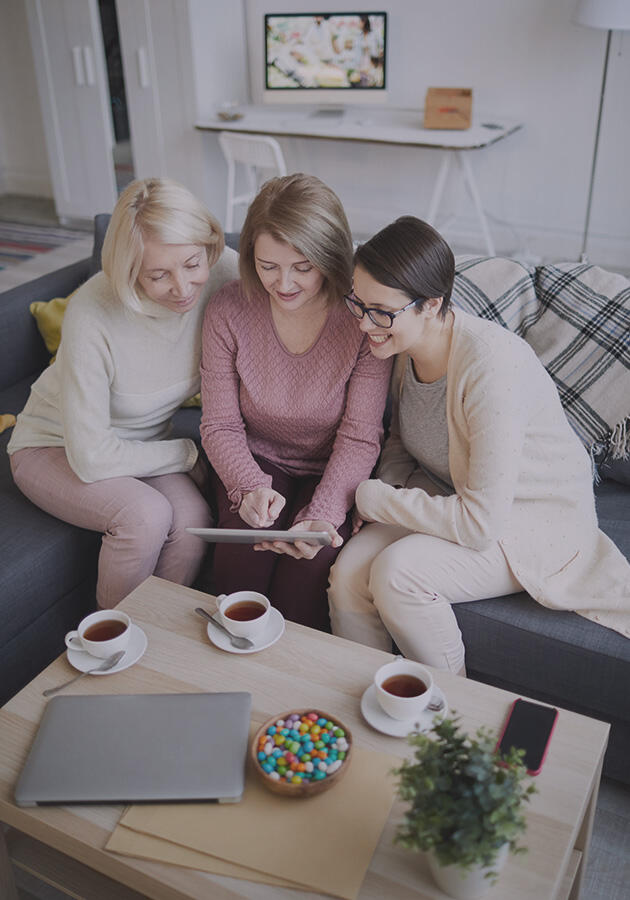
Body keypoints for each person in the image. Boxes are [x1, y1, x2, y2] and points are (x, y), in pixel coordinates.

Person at [328, 216, 630, 674]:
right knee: (348, 574)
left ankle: (454, 724)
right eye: (359, 303)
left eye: (382, 312)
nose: (366, 324)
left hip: (526, 519)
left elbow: (479, 525)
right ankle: (360, 695)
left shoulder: (491, 367)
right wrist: (384, 497)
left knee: (398, 574)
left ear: (431, 305)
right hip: (451, 497)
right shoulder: (401, 348)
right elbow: (399, 444)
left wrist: (376, 498)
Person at [8, 177, 239, 609]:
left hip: (141, 445)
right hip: (56, 445)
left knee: (191, 525)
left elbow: (292, 295)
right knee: (144, 517)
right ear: (129, 269)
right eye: (158, 275)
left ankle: (156, 638)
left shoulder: (220, 266)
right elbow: (91, 456)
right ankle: (111, 643)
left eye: (192, 264)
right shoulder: (92, 312)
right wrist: (188, 454)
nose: (184, 287)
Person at [200, 173, 391, 631]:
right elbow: (219, 424)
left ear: (330, 256)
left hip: (333, 468)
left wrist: (324, 514)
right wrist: (248, 489)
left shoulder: (360, 318)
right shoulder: (228, 310)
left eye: (302, 267)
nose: (283, 283)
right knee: (240, 565)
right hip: (257, 460)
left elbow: (361, 435)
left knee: (308, 571)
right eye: (268, 266)